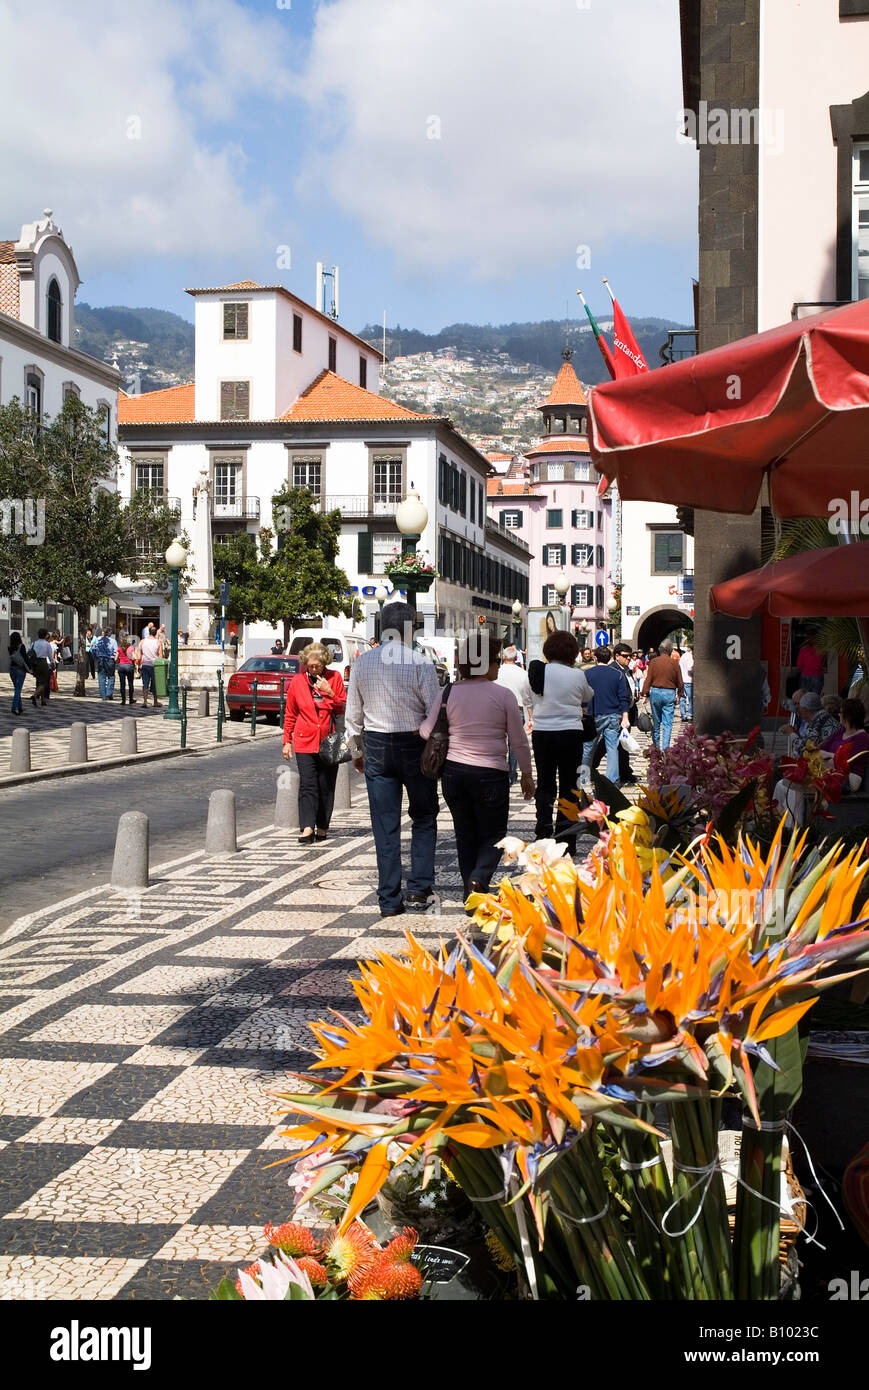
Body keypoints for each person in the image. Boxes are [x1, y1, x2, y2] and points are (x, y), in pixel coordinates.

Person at [420, 637, 534, 903]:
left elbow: (426, 731)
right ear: (484, 664)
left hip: (453, 773)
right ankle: (479, 878)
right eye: (495, 661)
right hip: (490, 773)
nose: (497, 667)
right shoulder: (503, 695)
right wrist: (526, 774)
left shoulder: (448, 692)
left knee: (465, 833)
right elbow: (518, 739)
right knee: (494, 834)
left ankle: (470, 895)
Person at [345, 601, 440, 917]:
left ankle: (389, 899)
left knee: (385, 825)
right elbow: (433, 711)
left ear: (382, 628)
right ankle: (419, 888)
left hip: (377, 745)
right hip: (414, 743)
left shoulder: (363, 662)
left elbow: (353, 716)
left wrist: (357, 752)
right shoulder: (420, 662)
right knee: (424, 816)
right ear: (410, 628)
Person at [527, 630, 593, 855]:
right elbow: (588, 696)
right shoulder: (576, 675)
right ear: (573, 652)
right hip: (570, 734)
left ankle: (542, 831)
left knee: (545, 783)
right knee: (569, 786)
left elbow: (530, 696)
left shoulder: (538, 672)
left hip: (543, 733)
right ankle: (567, 837)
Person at [282, 642, 347, 844]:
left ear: (324, 663)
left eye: (317, 666)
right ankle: (307, 827)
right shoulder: (298, 682)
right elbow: (290, 713)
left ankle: (322, 826)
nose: (313, 669)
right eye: (310, 666)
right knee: (308, 784)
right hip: (304, 740)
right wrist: (287, 741)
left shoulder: (334, 678)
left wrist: (329, 693)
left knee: (325, 785)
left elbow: (342, 708)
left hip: (329, 741)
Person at [582, 646, 631, 785]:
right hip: (613, 715)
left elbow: (583, 696)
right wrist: (625, 717)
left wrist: (583, 710)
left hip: (593, 715)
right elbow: (623, 698)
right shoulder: (618, 675)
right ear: (610, 657)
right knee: (612, 748)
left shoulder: (587, 674)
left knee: (587, 748)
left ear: (595, 658)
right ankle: (612, 779)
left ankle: (584, 778)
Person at [496, 645, 533, 785]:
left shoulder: (496, 672)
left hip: (498, 710)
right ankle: (512, 774)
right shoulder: (523, 674)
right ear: (517, 657)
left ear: (503, 657)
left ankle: (501, 772)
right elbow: (528, 698)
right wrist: (531, 717)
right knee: (514, 744)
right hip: (517, 710)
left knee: (500, 741)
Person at [641, 639, 684, 750]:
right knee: (667, 724)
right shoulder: (674, 664)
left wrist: (644, 694)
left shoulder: (653, 662)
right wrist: (680, 694)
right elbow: (680, 681)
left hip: (655, 692)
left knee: (656, 722)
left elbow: (648, 679)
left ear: (659, 650)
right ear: (670, 651)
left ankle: (656, 747)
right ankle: (665, 749)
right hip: (669, 693)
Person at [821, 697, 869, 789]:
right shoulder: (842, 730)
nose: (839, 714)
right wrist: (832, 757)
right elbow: (822, 748)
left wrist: (828, 756)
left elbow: (847, 762)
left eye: (841, 712)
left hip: (849, 777)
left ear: (849, 716)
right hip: (830, 770)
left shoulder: (862, 737)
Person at [791, 690, 839, 755]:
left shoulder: (818, 723)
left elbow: (804, 749)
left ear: (805, 710)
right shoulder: (824, 717)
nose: (797, 709)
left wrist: (791, 733)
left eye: (799, 706)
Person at [28, 627, 54, 706]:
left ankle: (43, 700)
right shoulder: (47, 644)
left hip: (35, 663)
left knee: (39, 681)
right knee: (44, 682)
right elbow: (50, 655)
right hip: (42, 663)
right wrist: (53, 664)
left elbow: (29, 652)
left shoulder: (34, 643)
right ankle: (35, 695)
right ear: (46, 635)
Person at [8, 632, 31, 715]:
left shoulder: (10, 648)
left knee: (17, 689)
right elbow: (25, 658)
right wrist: (30, 668)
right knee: (18, 689)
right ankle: (14, 707)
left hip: (12, 670)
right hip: (20, 670)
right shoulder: (21, 646)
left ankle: (20, 707)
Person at [139, 623, 162, 708]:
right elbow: (160, 655)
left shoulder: (142, 641)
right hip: (154, 665)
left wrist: (138, 665)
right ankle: (155, 701)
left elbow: (140, 653)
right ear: (156, 633)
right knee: (154, 684)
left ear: (149, 632)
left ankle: (145, 701)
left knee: (145, 683)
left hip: (145, 664)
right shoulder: (158, 642)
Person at [92, 628, 118, 700]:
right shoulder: (113, 641)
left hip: (100, 659)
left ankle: (103, 695)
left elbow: (94, 649)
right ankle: (109, 693)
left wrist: (95, 657)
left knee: (101, 677)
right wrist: (115, 660)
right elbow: (116, 651)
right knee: (111, 676)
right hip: (110, 659)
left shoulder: (98, 640)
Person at [117, 635, 137, 705]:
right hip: (129, 666)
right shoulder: (131, 648)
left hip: (121, 666)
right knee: (130, 683)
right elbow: (134, 658)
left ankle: (123, 700)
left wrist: (120, 660)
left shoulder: (119, 648)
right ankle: (131, 699)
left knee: (122, 684)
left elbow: (115, 658)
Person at [679, 646, 694, 721]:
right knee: (691, 699)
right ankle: (690, 714)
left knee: (682, 698)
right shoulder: (690, 656)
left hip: (682, 680)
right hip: (689, 680)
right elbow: (690, 668)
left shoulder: (682, 656)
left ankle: (683, 715)